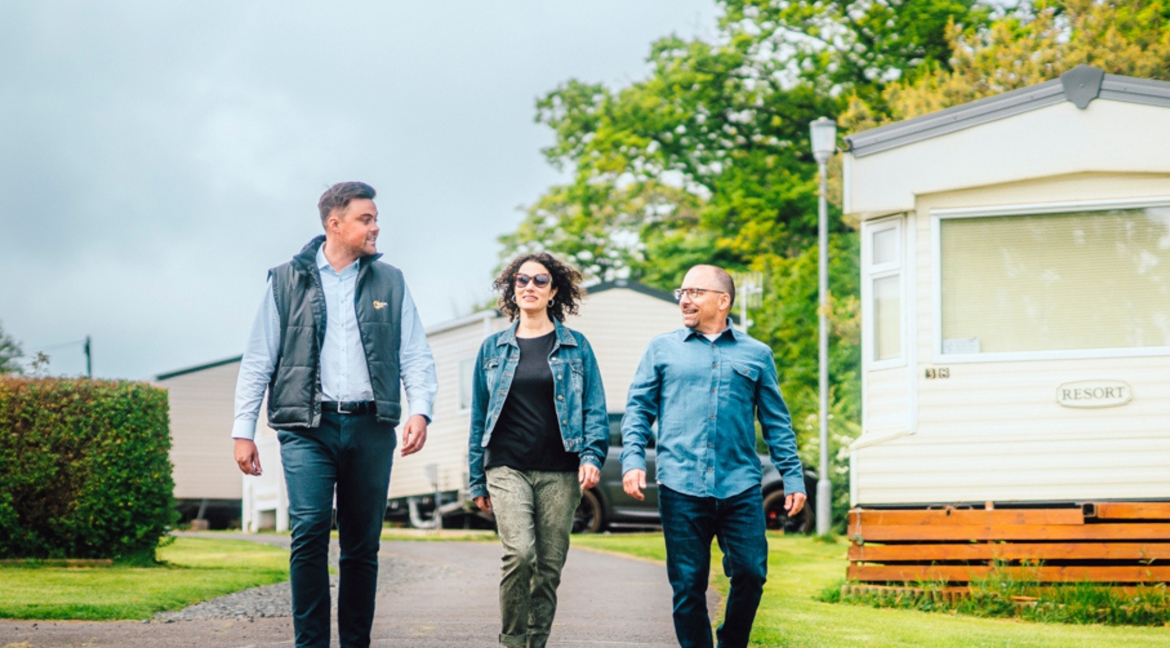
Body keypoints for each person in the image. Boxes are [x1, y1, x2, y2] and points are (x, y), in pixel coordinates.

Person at [231, 181, 437, 648]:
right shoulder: (286, 280)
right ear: (334, 223)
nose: (376, 226)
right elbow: (259, 358)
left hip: (371, 425)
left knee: (362, 545)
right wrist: (242, 430)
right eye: (366, 218)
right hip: (307, 427)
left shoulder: (391, 281)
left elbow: (415, 354)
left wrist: (420, 410)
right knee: (308, 531)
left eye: (375, 218)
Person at [621, 264, 807, 648]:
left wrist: (793, 476)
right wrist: (634, 459)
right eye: (682, 292)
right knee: (688, 585)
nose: (684, 299)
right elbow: (638, 410)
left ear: (723, 301)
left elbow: (776, 422)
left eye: (695, 292)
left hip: (739, 485)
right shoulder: (662, 349)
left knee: (751, 572)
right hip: (680, 484)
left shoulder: (757, 354)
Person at [468, 252, 608, 648]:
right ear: (512, 289)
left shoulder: (577, 347)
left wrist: (592, 456)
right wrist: (476, 477)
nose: (529, 287)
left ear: (554, 290)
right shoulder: (492, 348)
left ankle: (536, 642)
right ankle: (513, 642)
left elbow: (594, 408)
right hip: (506, 466)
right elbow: (479, 418)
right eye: (521, 280)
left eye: (539, 281)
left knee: (548, 568)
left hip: (560, 471)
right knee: (520, 555)